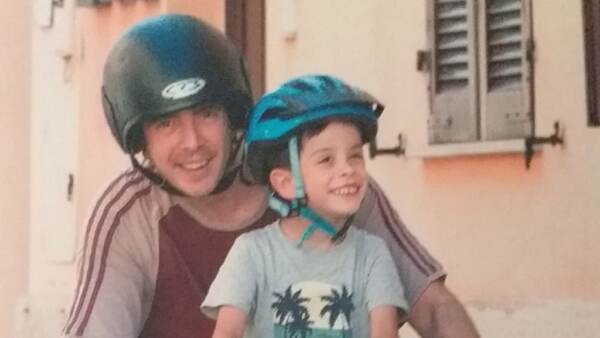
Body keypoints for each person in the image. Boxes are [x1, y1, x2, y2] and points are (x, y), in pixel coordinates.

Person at [62, 13, 479, 338]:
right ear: (139, 138)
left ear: (233, 114)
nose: (192, 142)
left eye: (207, 114)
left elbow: (435, 310)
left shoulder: (321, 177)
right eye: (166, 124)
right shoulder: (127, 214)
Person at [201, 74, 408, 338]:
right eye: (326, 160)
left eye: (355, 156)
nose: (347, 169)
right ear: (285, 183)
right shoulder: (252, 253)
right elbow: (226, 334)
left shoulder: (372, 255)